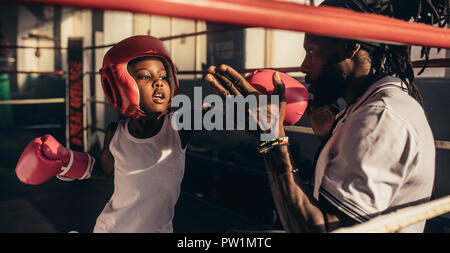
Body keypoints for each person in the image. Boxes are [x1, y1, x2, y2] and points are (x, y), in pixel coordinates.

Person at [204, 0, 446, 232]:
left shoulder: (381, 117)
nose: (303, 65)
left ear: (350, 47)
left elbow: (328, 230)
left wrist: (271, 142)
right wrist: (329, 139)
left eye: (312, 52)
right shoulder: (366, 105)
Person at [15, 35, 196, 233]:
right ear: (121, 86)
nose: (159, 83)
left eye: (163, 76)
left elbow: (211, 119)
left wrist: (233, 106)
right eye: (145, 76)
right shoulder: (116, 132)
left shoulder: (179, 126)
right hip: (110, 228)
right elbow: (102, 169)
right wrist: (65, 161)